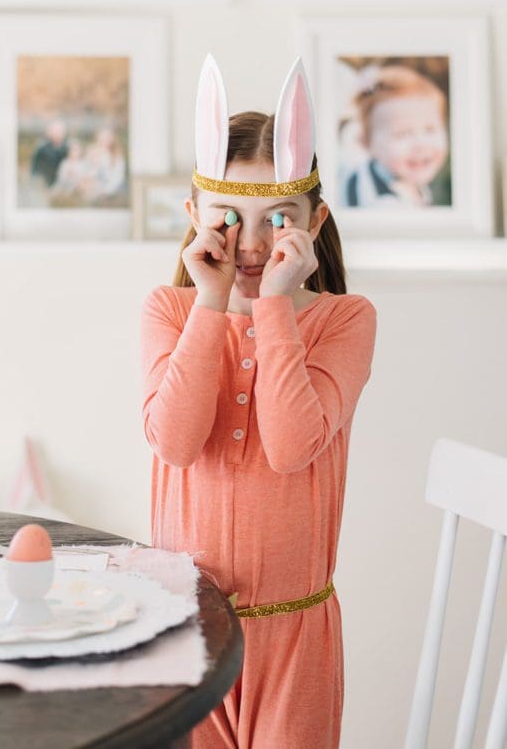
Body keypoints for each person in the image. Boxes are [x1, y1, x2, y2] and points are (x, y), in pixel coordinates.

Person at [140, 55, 377, 748]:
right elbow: (174, 441)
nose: (250, 244)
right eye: (227, 218)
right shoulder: (168, 309)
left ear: (314, 218)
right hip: (187, 632)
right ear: (194, 216)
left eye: (277, 219)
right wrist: (210, 304)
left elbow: (291, 442)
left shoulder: (344, 320)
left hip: (295, 636)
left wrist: (273, 307)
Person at [341, 63, 450, 208]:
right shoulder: (384, 204)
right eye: (403, 134)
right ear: (366, 142)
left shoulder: (405, 177)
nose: (420, 144)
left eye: (430, 130)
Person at [30, 119, 70, 187]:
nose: (57, 134)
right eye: (54, 131)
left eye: (59, 131)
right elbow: (35, 168)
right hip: (46, 183)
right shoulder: (42, 149)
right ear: (49, 133)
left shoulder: (69, 148)